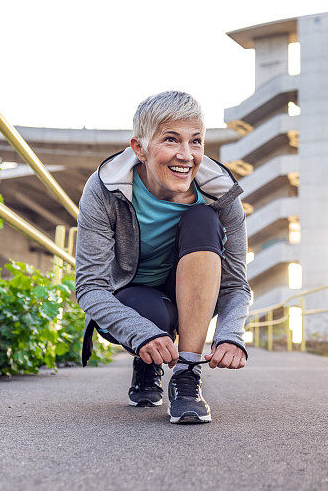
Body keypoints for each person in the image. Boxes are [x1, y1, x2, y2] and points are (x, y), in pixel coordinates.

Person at [74, 90, 250, 424]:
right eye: (171, 140)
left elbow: (236, 285)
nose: (186, 156)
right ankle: (148, 359)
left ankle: (186, 377)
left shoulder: (221, 195)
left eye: (195, 141)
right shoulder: (104, 189)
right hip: (134, 298)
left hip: (193, 297)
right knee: (151, 315)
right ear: (139, 148)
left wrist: (230, 334)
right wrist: (141, 332)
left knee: (202, 219)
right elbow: (90, 286)